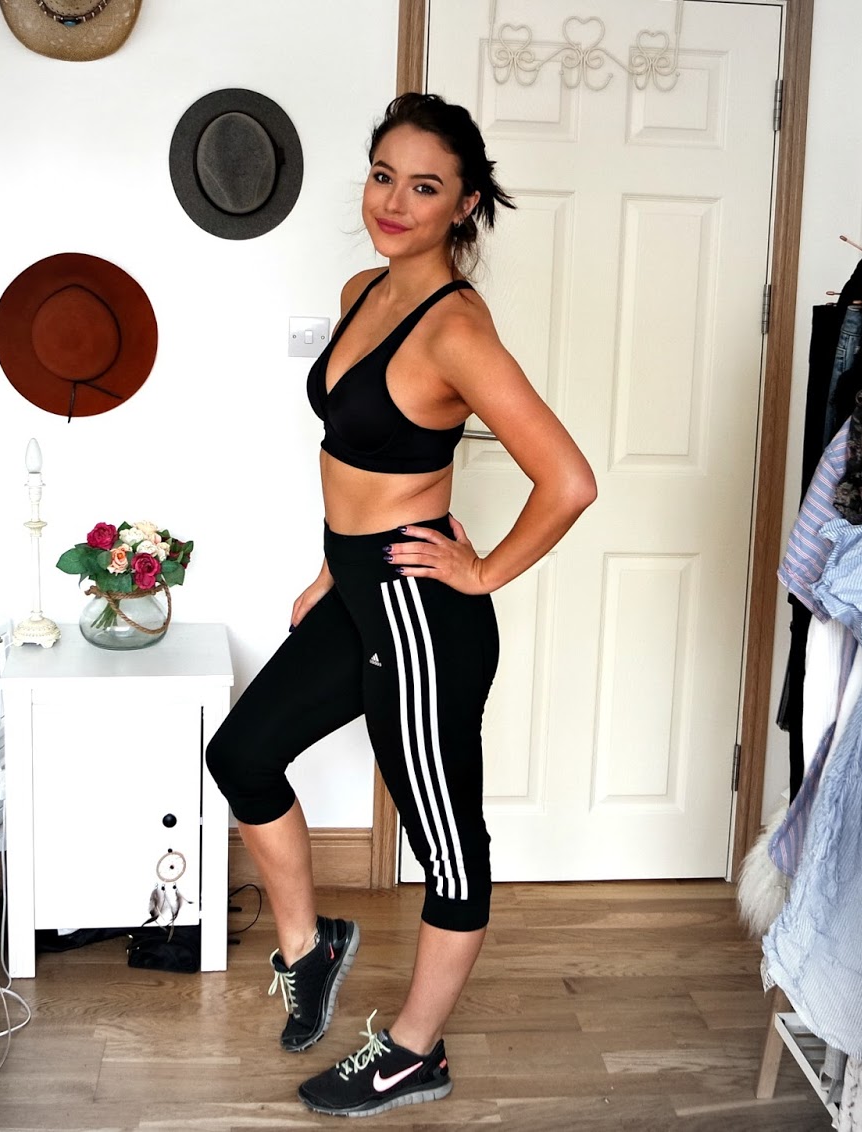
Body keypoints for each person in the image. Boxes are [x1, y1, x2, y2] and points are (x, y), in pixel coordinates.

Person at [204, 91, 596, 1118]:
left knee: (447, 845)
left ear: (464, 205)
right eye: (383, 176)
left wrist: (482, 571)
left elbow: (568, 480)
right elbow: (361, 458)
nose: (393, 201)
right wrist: (330, 569)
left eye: (424, 187)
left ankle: (416, 1052)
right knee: (241, 754)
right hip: (357, 587)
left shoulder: (456, 328)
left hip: (422, 614)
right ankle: (310, 946)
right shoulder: (362, 289)